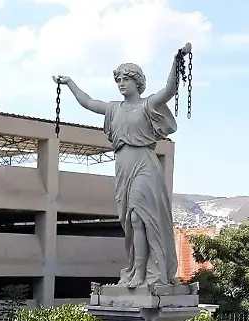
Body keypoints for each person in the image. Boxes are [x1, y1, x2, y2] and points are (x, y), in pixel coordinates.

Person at [55, 44, 190, 289]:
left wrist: (177, 60)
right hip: (123, 166)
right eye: (118, 79)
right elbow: (88, 102)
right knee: (130, 221)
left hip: (144, 165)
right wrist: (70, 83)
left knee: (139, 216)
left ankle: (142, 272)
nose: (121, 83)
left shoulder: (148, 105)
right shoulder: (113, 109)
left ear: (137, 82)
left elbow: (169, 90)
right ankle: (138, 268)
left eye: (126, 79)